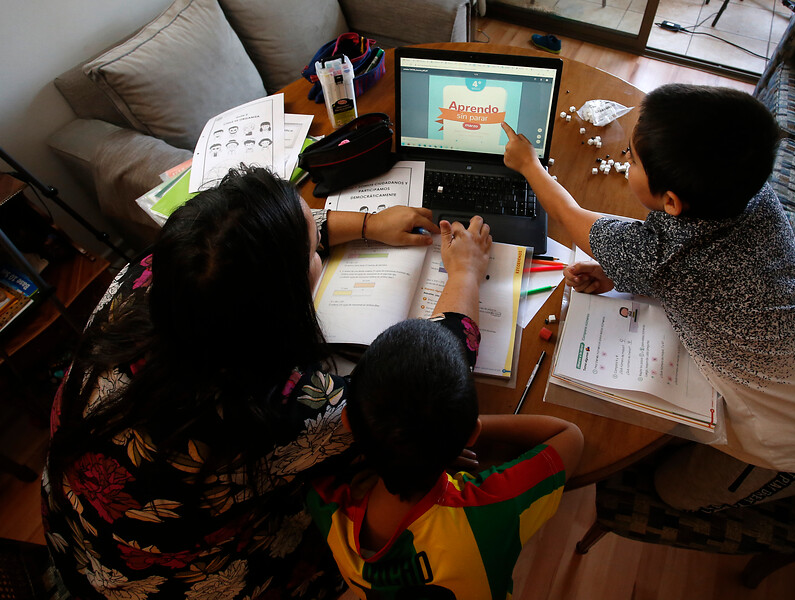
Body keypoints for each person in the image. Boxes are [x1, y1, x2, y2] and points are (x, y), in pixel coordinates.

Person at [41, 166, 491, 599]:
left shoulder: (158, 272)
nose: (318, 249)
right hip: (175, 584)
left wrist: (367, 223)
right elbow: (430, 377)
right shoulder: (287, 409)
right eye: (312, 252)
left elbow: (250, 241)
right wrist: (466, 272)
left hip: (77, 539)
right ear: (280, 309)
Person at [501, 84, 795, 512]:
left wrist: (529, 165)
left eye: (632, 160)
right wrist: (621, 269)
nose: (627, 163)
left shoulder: (659, 255)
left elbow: (571, 216)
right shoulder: (751, 194)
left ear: (671, 201)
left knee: (672, 491)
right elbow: (693, 264)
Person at [306, 318, 583, 598]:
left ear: (349, 422)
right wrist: (453, 431)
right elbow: (570, 435)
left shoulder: (324, 501)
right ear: (472, 434)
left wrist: (448, 434)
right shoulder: (487, 516)